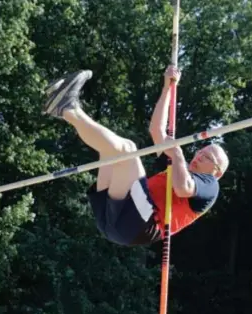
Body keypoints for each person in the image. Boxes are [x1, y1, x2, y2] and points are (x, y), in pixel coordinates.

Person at [43, 66, 229, 246]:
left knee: (128, 149)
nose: (198, 156)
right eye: (201, 151)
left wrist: (178, 153)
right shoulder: (176, 168)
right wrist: (167, 88)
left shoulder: (210, 185)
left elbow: (183, 188)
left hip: (141, 223)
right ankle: (64, 107)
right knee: (109, 151)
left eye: (207, 158)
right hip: (115, 217)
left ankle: (67, 108)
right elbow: (157, 131)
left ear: (217, 172)